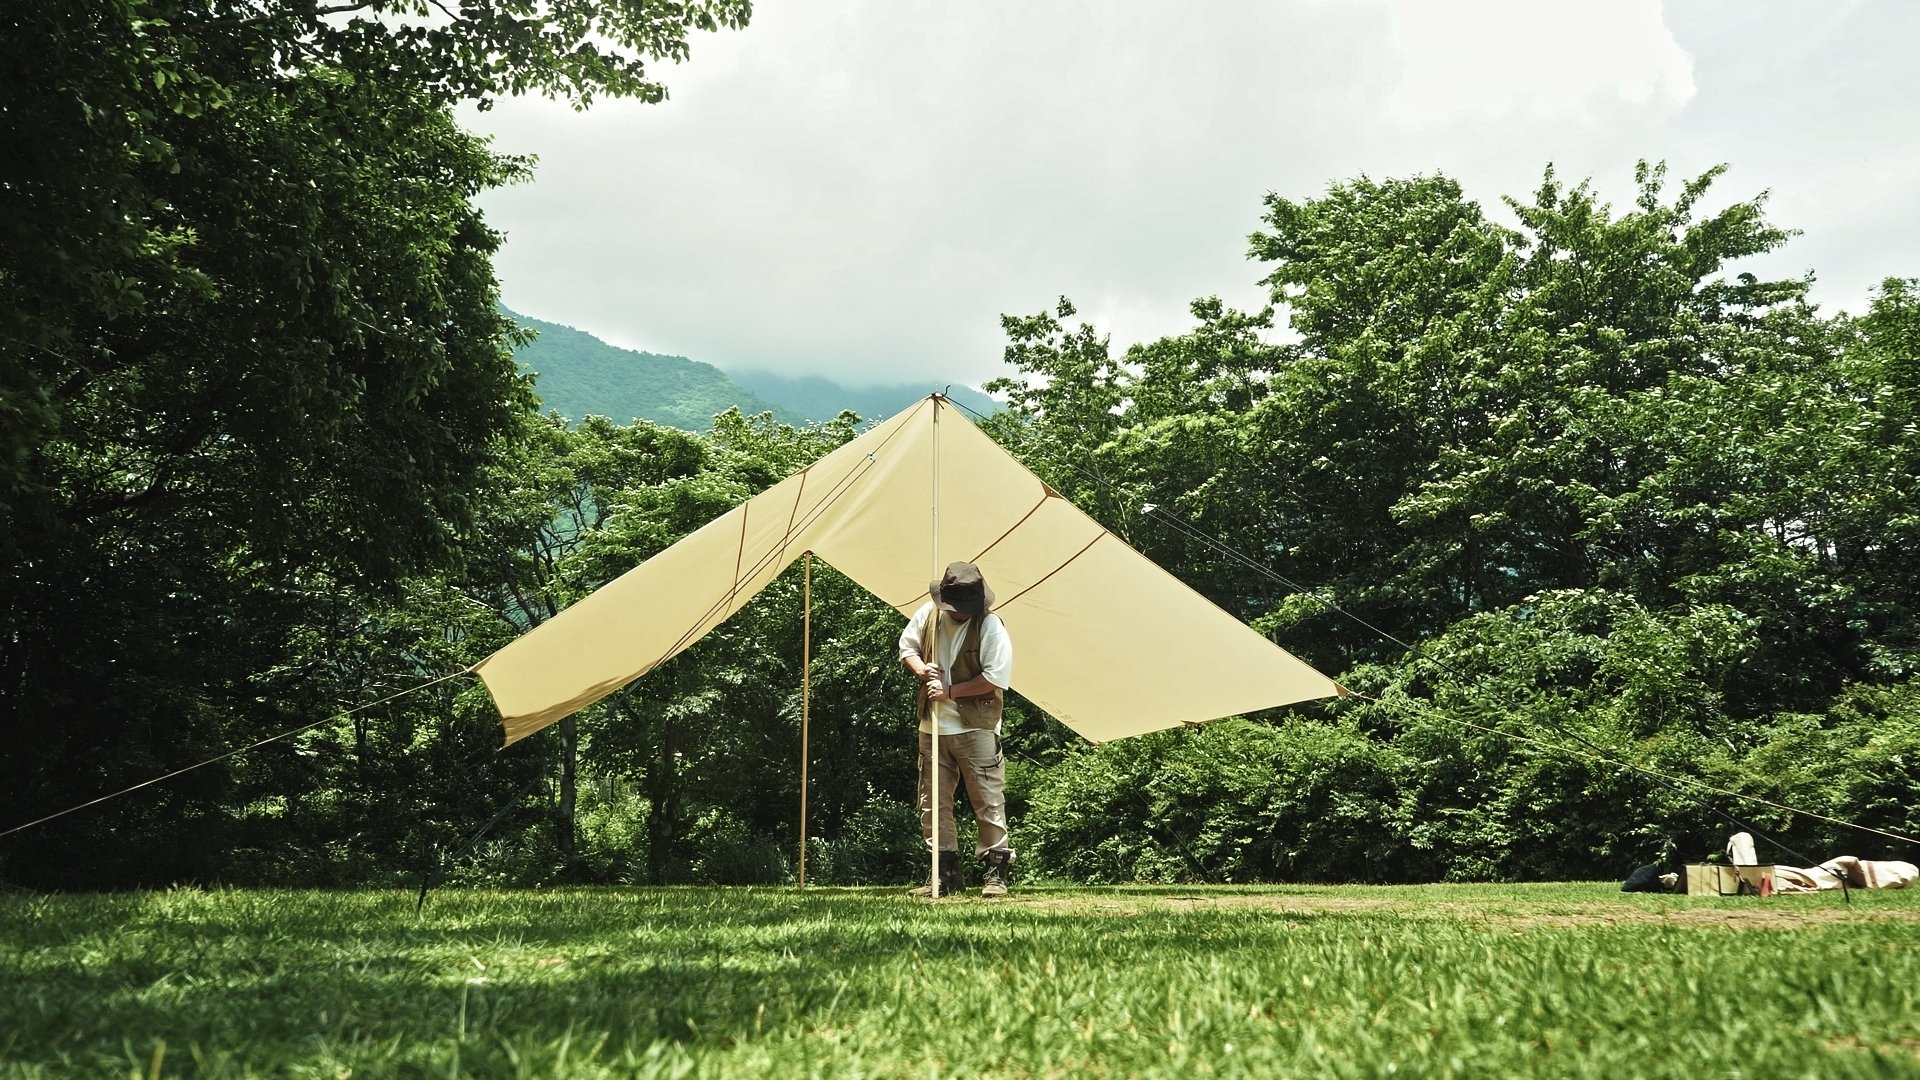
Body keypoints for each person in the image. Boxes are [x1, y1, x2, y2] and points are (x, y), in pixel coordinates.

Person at [898, 561, 1014, 898]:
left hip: (975, 726)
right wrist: (922, 670)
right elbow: (907, 648)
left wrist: (950, 691)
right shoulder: (929, 615)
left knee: (987, 799)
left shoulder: (991, 626)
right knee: (932, 803)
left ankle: (996, 873)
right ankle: (943, 875)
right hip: (932, 725)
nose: (959, 613)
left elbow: (996, 677)